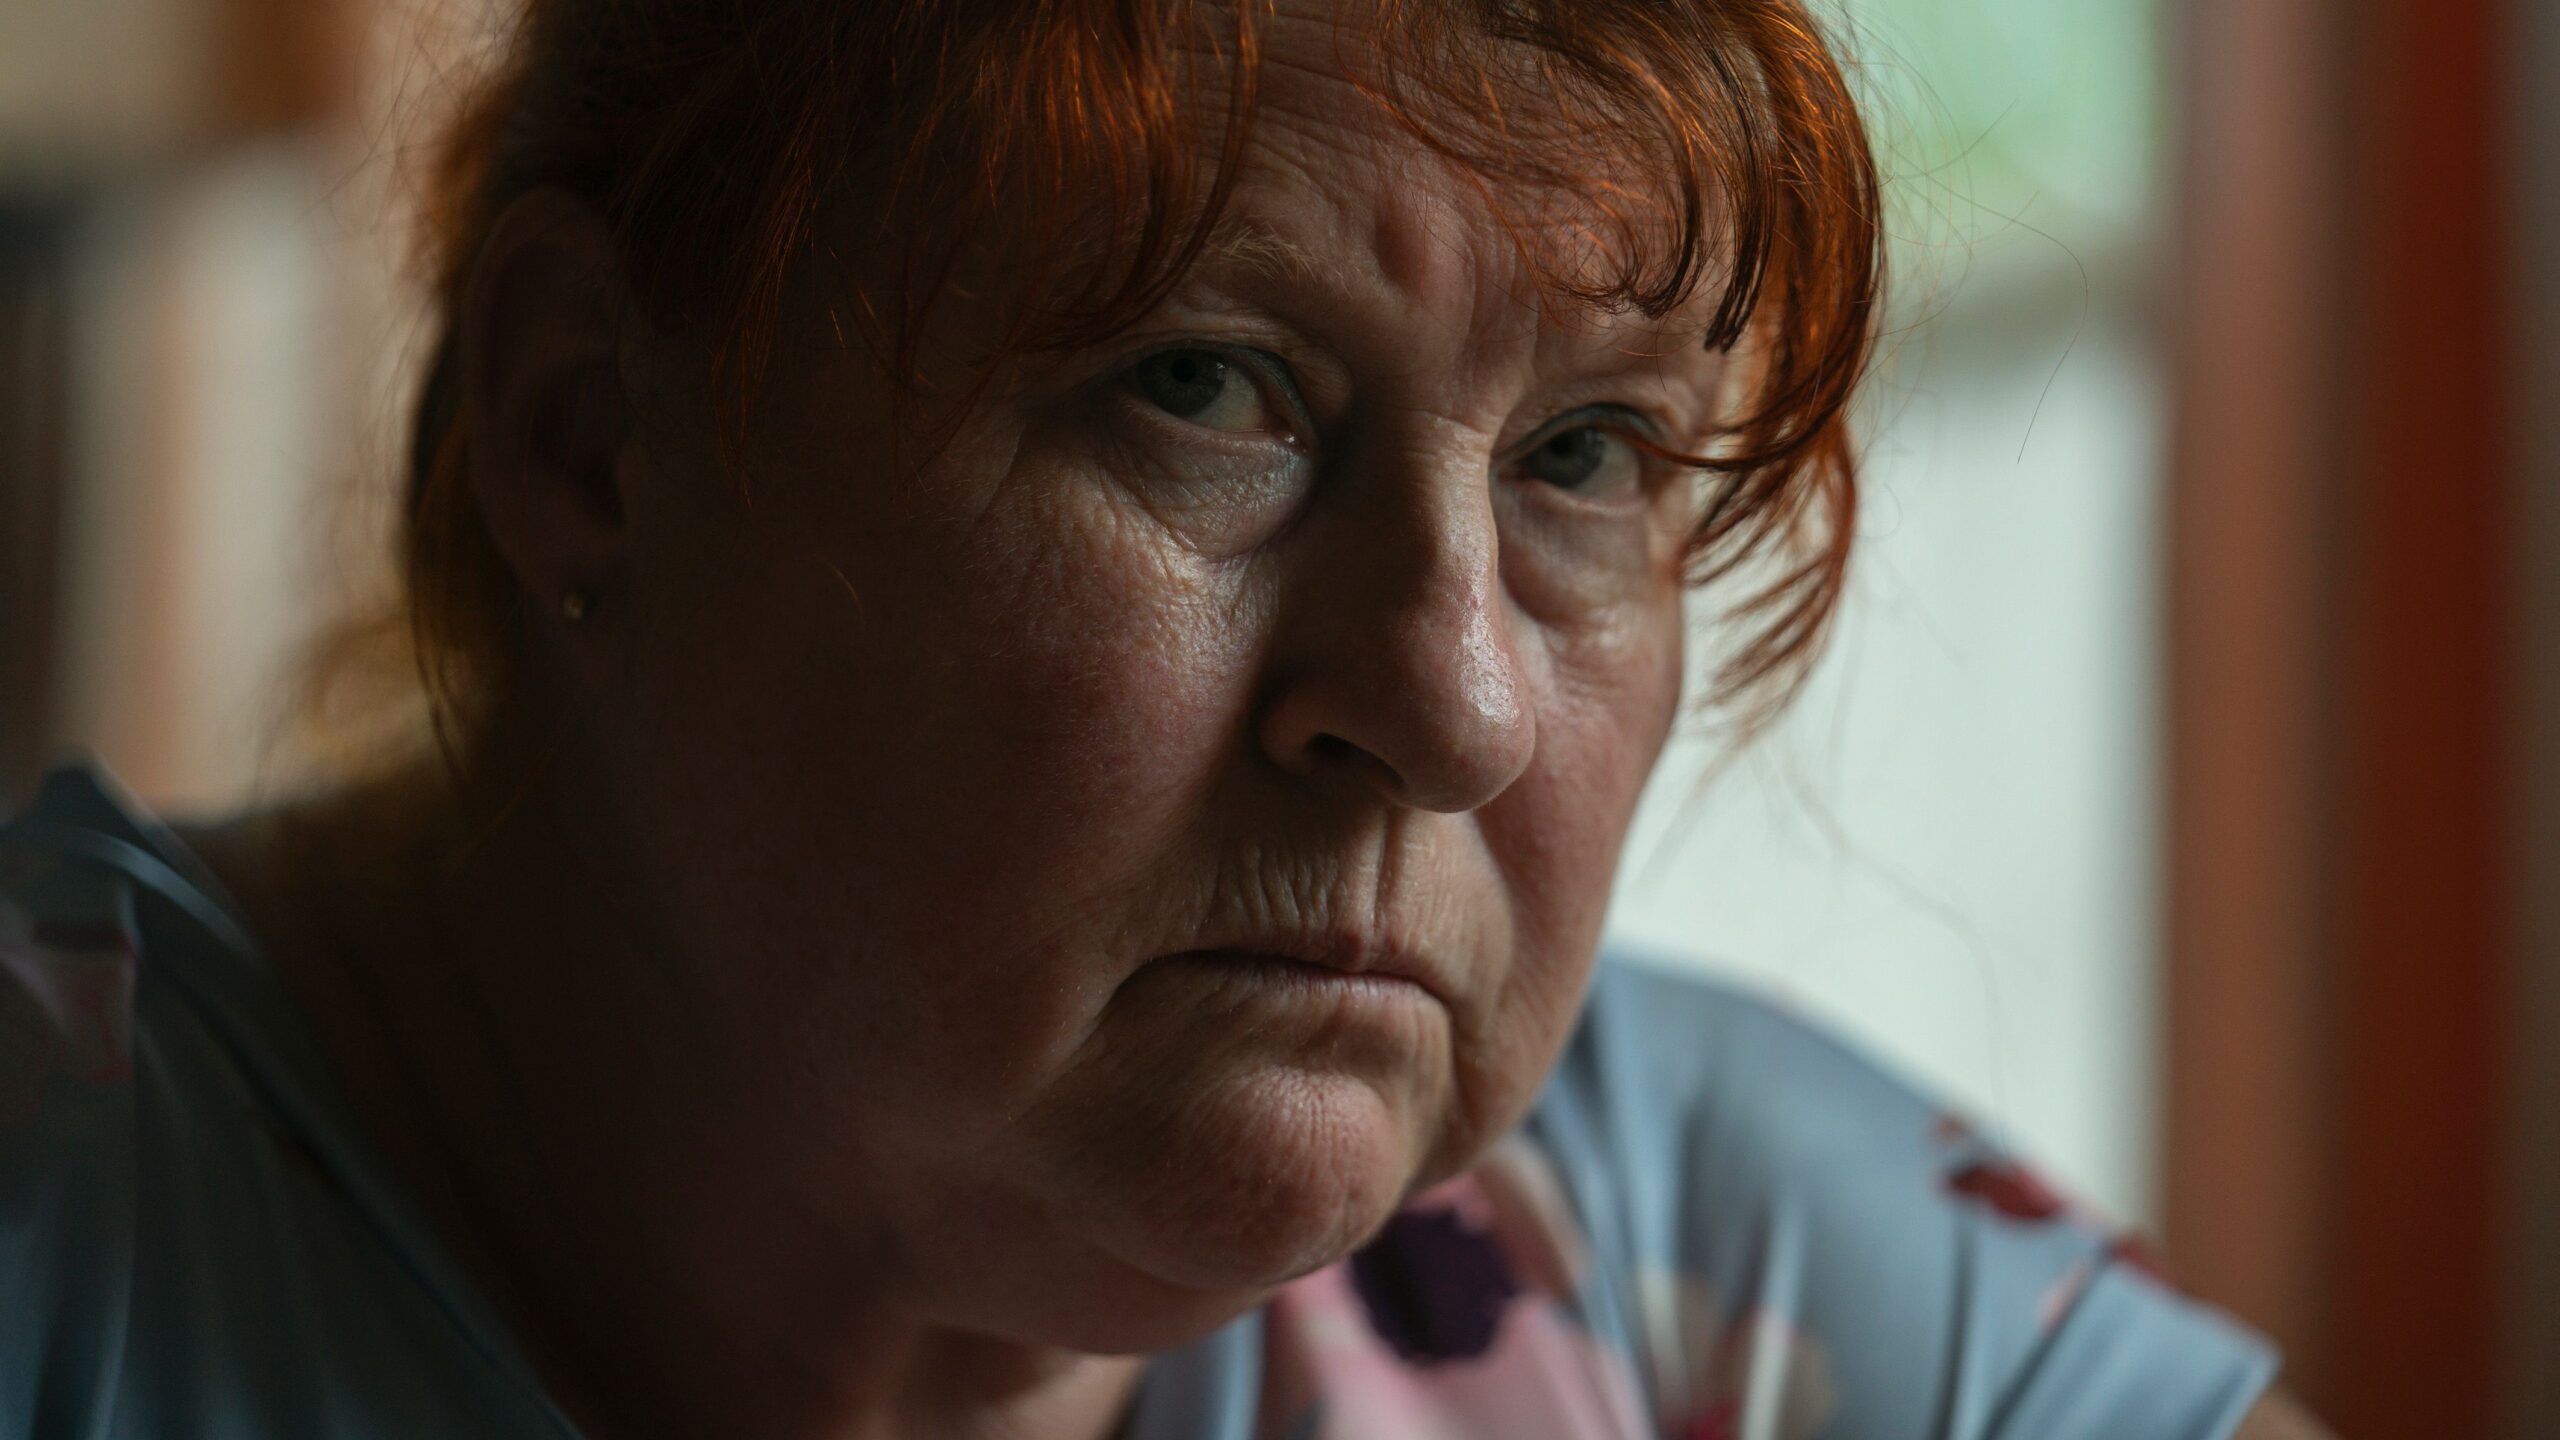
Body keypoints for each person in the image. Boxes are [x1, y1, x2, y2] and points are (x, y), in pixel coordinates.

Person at [0, 1, 2332, 1436]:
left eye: (1583, 455)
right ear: (588, 431)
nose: (1451, 703)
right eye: (1203, 389)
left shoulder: (1717, 1271)